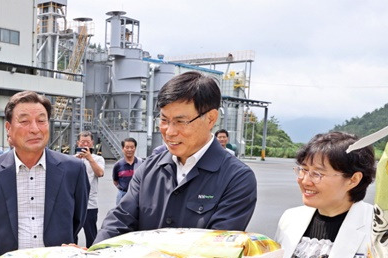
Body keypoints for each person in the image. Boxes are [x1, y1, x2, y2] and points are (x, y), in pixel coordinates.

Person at [95, 71, 257, 243]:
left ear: (211, 118)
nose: (170, 132)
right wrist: (93, 255)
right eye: (164, 120)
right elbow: (119, 220)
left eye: (181, 121)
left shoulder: (236, 178)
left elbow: (215, 249)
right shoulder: (148, 169)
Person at [0, 90, 89, 257]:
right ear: (8, 127)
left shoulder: (74, 169)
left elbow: (77, 221)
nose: (35, 129)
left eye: (41, 121)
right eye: (25, 121)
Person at [74, 131, 105, 247]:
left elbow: (100, 173)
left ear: (92, 143)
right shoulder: (71, 160)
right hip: (74, 203)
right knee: (72, 234)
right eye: (82, 142)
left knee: (91, 234)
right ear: (78, 143)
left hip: (90, 203)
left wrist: (89, 158)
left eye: (87, 142)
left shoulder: (98, 159)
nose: (85, 144)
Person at [112, 138, 139, 205]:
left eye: (132, 147)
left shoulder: (141, 163)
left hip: (138, 195)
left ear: (135, 148)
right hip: (123, 195)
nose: (129, 150)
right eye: (127, 147)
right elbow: (115, 181)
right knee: (121, 214)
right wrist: (122, 189)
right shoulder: (118, 165)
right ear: (123, 148)